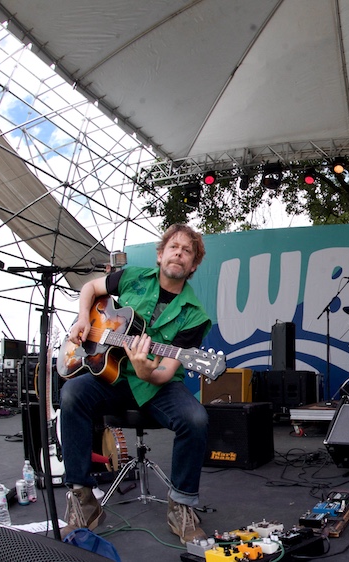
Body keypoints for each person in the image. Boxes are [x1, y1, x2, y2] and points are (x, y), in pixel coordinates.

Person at [60, 224, 212, 544]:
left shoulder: (195, 316)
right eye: (173, 247)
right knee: (72, 393)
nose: (179, 254)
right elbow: (90, 288)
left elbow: (165, 372)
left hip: (156, 384)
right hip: (113, 375)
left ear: (193, 265)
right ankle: (83, 498)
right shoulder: (132, 277)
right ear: (160, 255)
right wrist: (84, 319)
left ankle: (181, 504)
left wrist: (147, 372)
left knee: (196, 418)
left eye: (187, 251)